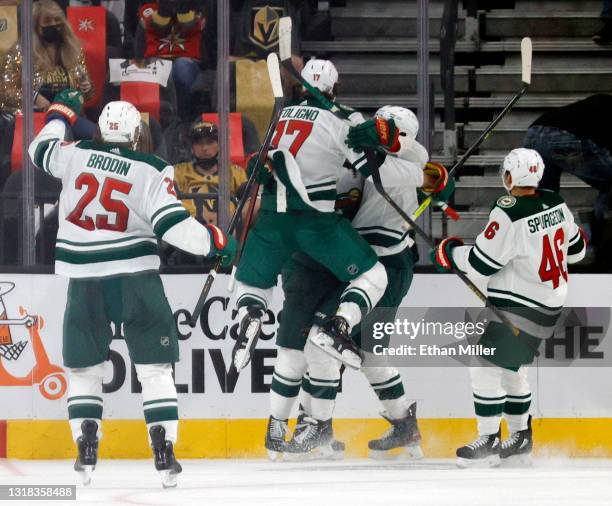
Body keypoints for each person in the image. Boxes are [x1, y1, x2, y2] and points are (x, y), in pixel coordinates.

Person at [27, 90, 236, 487]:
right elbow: (173, 227)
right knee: (155, 369)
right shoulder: (152, 168)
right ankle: (164, 451)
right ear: (138, 134)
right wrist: (215, 241)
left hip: (84, 280)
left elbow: (40, 149)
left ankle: (86, 446)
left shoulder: (75, 154)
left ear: (103, 130)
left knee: (84, 369)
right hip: (135, 278)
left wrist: (59, 113)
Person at [264, 106, 452, 460]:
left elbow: (427, 174)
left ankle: (316, 426)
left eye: (381, 129)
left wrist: (439, 179)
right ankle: (399, 427)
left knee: (327, 343)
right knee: (364, 354)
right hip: (363, 264)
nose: (373, 131)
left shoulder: (395, 168)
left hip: (383, 267)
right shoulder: (375, 161)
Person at [230, 59, 407, 374]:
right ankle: (338, 326)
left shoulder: (281, 115)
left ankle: (250, 314)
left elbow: (266, 163)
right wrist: (380, 143)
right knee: (374, 275)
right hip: (316, 222)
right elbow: (370, 173)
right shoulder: (343, 118)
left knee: (252, 282)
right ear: (335, 88)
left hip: (271, 217)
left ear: (301, 86)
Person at [430, 148, 586, 468]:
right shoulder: (556, 202)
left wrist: (450, 253)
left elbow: (482, 264)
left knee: (484, 364)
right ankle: (520, 438)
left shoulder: (509, 210)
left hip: (521, 305)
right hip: (548, 304)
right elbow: (578, 251)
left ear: (511, 176)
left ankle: (488, 438)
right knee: (511, 368)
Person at [523, 95, 612, 269]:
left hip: (534, 134)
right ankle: (598, 244)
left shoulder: (603, 105)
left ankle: (534, 257)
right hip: (563, 137)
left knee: (543, 201)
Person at [0, 0, 94, 115]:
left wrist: (86, 88)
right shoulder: (22, 51)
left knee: (94, 131)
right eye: (47, 21)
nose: (53, 24)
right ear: (36, 26)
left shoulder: (73, 50)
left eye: (57, 20)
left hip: (69, 116)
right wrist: (33, 97)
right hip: (34, 117)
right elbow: (5, 90)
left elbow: (86, 94)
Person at [134, 0, 206, 121]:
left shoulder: (199, 9)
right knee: (159, 67)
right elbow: (139, 50)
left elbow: (207, 43)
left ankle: (184, 120)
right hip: (156, 59)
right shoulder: (147, 11)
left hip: (188, 61)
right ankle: (163, 121)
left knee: (180, 67)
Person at [173, 120, 247, 226]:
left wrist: (230, 218)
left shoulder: (235, 172)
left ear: (219, 145)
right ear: (191, 147)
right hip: (187, 228)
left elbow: (249, 204)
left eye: (210, 142)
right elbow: (169, 203)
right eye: (199, 143)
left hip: (228, 229)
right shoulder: (178, 172)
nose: (205, 148)